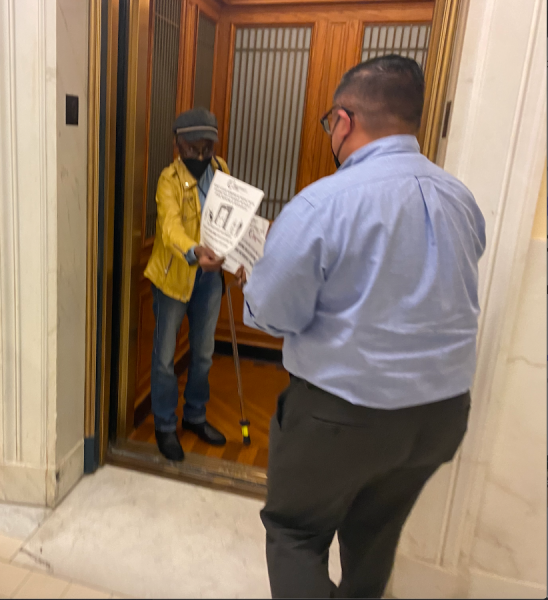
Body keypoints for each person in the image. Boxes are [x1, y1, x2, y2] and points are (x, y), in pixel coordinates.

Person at [237, 55, 486, 598]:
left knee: (295, 533)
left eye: (330, 124)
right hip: (441, 416)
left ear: (343, 121)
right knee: (375, 535)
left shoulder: (323, 203)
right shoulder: (460, 199)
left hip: (342, 415)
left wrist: (258, 277)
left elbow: (274, 313)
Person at [144, 107, 230, 461]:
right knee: (165, 358)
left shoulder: (221, 170)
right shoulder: (168, 179)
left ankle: (195, 415)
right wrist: (194, 250)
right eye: (191, 148)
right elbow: (169, 227)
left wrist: (240, 256)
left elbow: (230, 219)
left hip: (210, 280)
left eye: (206, 147)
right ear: (177, 144)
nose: (200, 156)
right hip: (173, 279)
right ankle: (164, 425)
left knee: (204, 353)